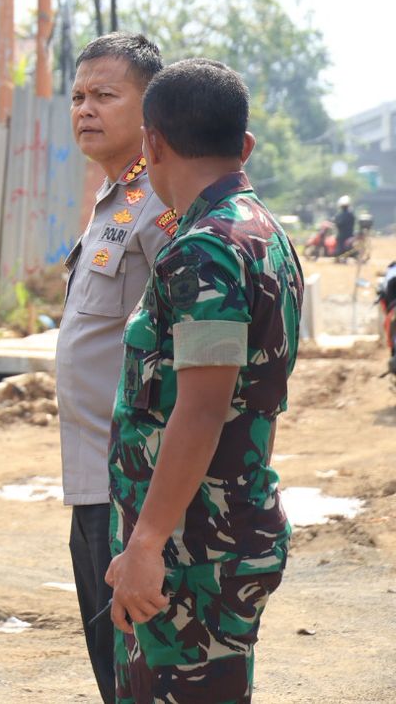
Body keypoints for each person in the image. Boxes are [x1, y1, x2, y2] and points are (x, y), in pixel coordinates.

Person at [106, 58, 302, 703]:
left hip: (192, 552)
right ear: (244, 145)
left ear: (152, 143)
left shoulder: (205, 251)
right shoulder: (264, 234)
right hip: (216, 535)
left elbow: (202, 407)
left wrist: (146, 543)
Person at [55, 33, 172, 704]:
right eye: (77, 96)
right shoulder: (114, 198)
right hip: (92, 478)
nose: (85, 109)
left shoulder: (162, 202)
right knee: (114, 673)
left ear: (151, 107)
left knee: (142, 675)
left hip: (134, 485)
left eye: (104, 95)